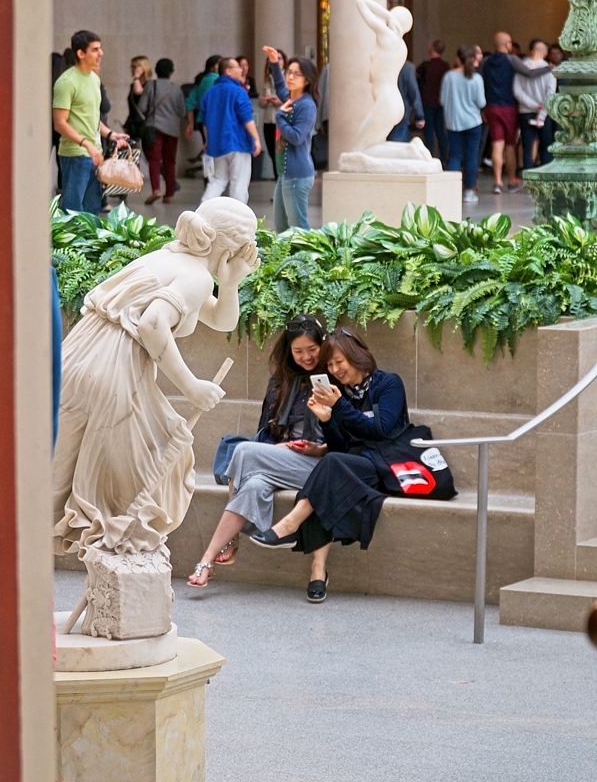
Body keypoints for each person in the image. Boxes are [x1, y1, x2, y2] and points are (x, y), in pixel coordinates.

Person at [53, 199, 259, 558]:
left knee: (59, 475)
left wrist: (230, 283)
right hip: (111, 366)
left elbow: (222, 320)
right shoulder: (194, 275)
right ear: (233, 247)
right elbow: (152, 323)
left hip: (81, 355)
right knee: (156, 465)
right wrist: (192, 387)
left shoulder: (170, 259)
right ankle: (125, 560)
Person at [250, 329, 457, 599]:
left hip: (390, 464)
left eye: (339, 362)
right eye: (331, 365)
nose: (335, 370)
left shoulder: (388, 384)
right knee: (330, 468)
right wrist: (326, 419)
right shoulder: (342, 394)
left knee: (329, 471)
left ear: (356, 356)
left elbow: (381, 430)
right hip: (360, 464)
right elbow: (340, 446)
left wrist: (338, 406)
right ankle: (317, 568)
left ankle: (293, 531)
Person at [187, 315, 332, 599]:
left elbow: (344, 434)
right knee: (252, 486)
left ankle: (234, 539)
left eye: (311, 350)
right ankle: (208, 561)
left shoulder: (335, 376)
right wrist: (277, 449)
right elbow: (266, 431)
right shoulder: (281, 382)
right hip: (282, 459)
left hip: (321, 463)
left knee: (243, 451)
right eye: (298, 351)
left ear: (322, 345)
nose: (306, 357)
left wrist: (316, 447)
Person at [52, 29, 129, 214]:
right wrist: (87, 144)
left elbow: (93, 117)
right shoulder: (66, 82)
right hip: (75, 155)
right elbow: (60, 123)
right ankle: (71, 244)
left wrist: (110, 134)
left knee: (92, 209)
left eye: (99, 49)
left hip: (95, 154)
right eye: (95, 49)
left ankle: (88, 243)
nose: (100, 53)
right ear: (80, 53)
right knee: (73, 210)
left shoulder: (94, 79)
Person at [480, 31, 552, 194]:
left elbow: (481, 81)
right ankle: (512, 181)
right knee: (510, 145)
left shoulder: (485, 61)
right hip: (509, 107)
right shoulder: (512, 60)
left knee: (496, 145)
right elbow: (529, 73)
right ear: (507, 44)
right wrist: (548, 68)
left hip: (491, 106)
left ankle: (497, 182)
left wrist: (483, 107)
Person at [263, 47, 319, 231]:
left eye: (297, 74)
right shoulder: (291, 98)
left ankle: (309, 259)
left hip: (297, 174)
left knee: (298, 227)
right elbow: (280, 86)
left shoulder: (306, 105)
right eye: (289, 72)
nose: (290, 77)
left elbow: (296, 137)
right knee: (281, 225)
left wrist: (279, 118)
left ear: (307, 80)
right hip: (286, 174)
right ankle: (285, 259)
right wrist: (273, 62)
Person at [200, 57, 262, 204]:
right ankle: (238, 219)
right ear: (228, 71)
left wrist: (208, 141)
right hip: (238, 143)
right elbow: (246, 117)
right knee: (239, 185)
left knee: (217, 181)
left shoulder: (209, 94)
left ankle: (202, 211)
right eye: (237, 67)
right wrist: (256, 139)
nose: (241, 70)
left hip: (216, 146)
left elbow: (205, 122)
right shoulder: (239, 92)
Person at [440, 45, 486, 204]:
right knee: (472, 156)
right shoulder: (476, 78)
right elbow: (481, 102)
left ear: (458, 58)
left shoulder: (449, 76)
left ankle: (451, 190)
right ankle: (468, 191)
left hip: (453, 122)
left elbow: (442, 100)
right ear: (473, 58)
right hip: (473, 122)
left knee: (454, 156)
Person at [140, 58, 186, 205]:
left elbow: (142, 107)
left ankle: (156, 189)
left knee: (154, 160)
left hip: (154, 127)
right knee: (170, 161)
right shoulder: (176, 88)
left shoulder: (150, 85)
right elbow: (182, 111)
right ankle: (169, 194)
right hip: (172, 129)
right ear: (171, 72)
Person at [513, 38, 557, 171]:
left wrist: (532, 105)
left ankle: (527, 173)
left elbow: (517, 91)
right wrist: (542, 114)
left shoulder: (521, 67)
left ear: (531, 51)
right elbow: (550, 95)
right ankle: (545, 174)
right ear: (545, 53)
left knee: (527, 145)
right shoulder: (549, 70)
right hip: (544, 113)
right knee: (545, 146)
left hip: (525, 111)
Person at [416, 40, 450, 164]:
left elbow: (418, 82)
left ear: (432, 48)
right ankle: (443, 159)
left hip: (427, 102)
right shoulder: (445, 66)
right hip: (441, 103)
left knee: (429, 131)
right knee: (441, 131)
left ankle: (429, 158)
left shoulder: (425, 66)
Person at [258, 48, 287, 179]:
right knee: (272, 154)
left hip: (281, 120)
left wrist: (279, 101)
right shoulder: (267, 79)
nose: (277, 61)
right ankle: (277, 184)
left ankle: (282, 185)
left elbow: (291, 99)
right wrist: (264, 101)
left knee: (280, 154)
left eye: (280, 58)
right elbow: (261, 103)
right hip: (269, 120)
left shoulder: (288, 78)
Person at [185, 55, 221, 142]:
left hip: (202, 119)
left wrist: (191, 123)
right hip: (218, 119)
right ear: (213, 67)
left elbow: (189, 103)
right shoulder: (219, 80)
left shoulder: (202, 80)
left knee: (208, 148)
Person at [388, 60, 425, 142]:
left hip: (383, 111)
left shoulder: (383, 65)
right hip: (401, 112)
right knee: (399, 146)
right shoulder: (406, 68)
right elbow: (414, 92)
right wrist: (420, 116)